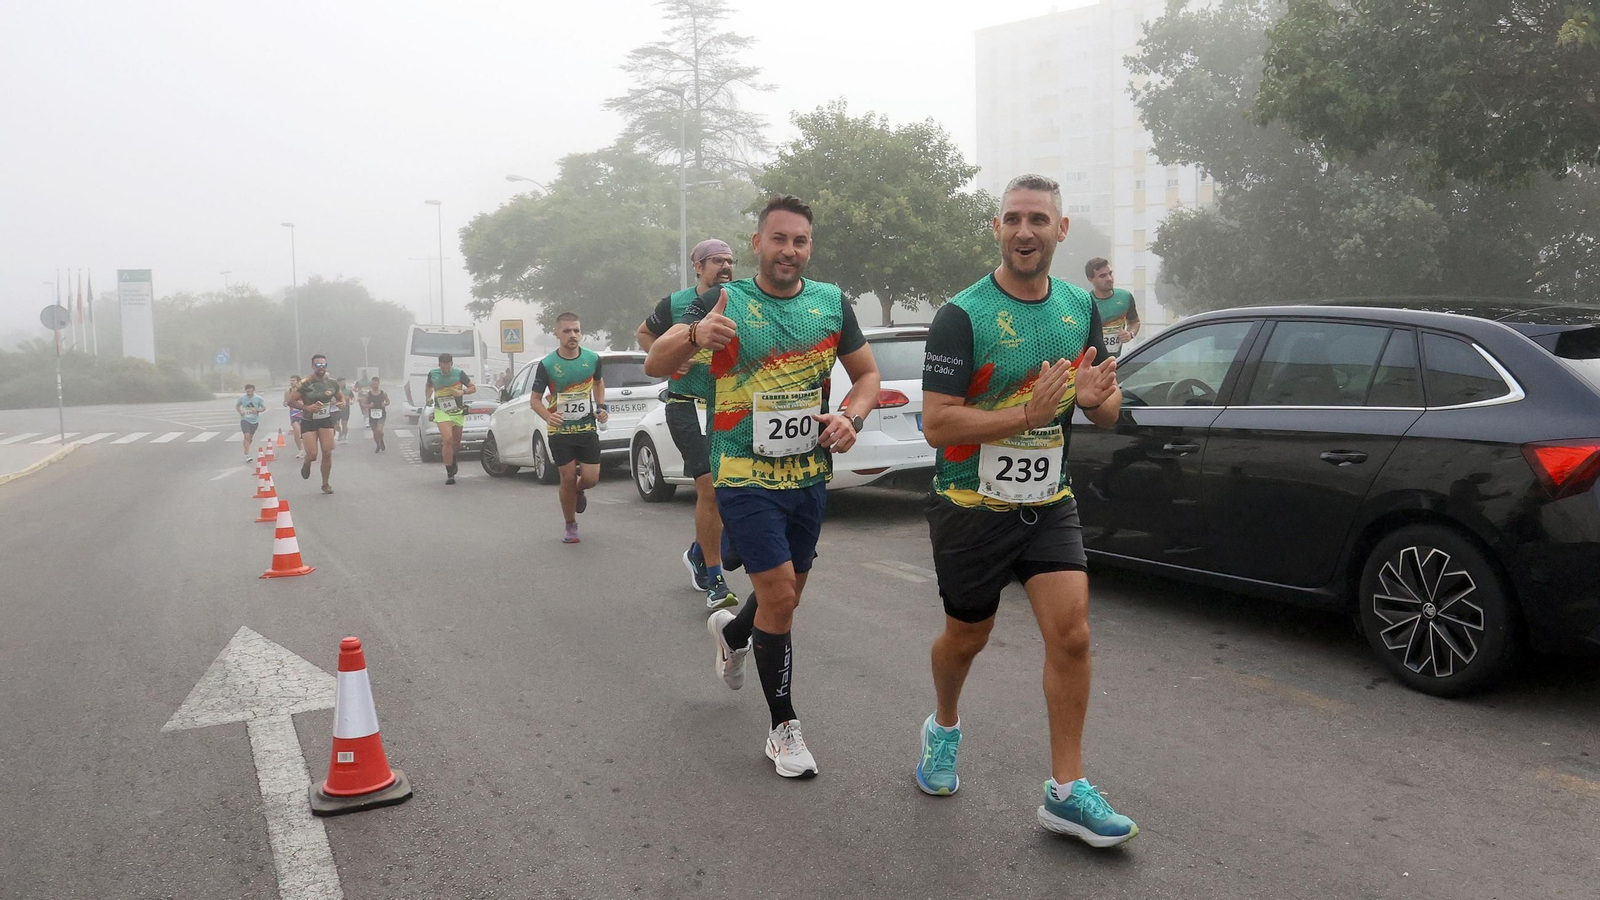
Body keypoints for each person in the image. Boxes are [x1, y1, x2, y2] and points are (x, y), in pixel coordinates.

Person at [915, 174, 1135, 847]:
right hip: (969, 505)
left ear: (1060, 230)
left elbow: (1107, 408)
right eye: (1012, 218)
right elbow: (936, 424)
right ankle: (943, 726)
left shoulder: (1078, 306)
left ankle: (1066, 792)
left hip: (1048, 500)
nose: (1024, 231)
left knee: (1072, 635)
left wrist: (1094, 398)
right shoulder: (962, 315)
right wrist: (1026, 415)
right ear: (997, 228)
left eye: (1038, 219)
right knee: (966, 638)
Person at [644, 195, 881, 780]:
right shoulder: (721, 300)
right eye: (779, 239)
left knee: (787, 595)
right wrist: (695, 333)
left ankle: (734, 632)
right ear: (757, 243)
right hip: (743, 475)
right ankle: (783, 728)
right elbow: (655, 361)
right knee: (778, 597)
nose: (789, 250)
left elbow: (867, 375)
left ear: (809, 247)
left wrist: (851, 416)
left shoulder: (831, 303)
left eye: (799, 241)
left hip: (807, 473)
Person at [636, 238, 740, 611]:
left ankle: (699, 551)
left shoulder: (740, 300)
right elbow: (644, 334)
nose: (725, 267)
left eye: (730, 261)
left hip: (727, 406)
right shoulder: (676, 303)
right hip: (686, 405)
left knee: (730, 488)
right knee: (708, 486)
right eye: (716, 261)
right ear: (698, 266)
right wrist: (670, 357)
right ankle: (714, 579)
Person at [529, 313, 607, 543]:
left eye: (576, 330)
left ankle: (579, 491)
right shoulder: (547, 364)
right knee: (568, 477)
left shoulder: (592, 359)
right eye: (567, 331)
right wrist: (548, 416)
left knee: (591, 479)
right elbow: (535, 400)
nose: (572, 335)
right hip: (560, 431)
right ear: (557, 334)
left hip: (586, 428)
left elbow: (598, 383)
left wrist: (601, 406)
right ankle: (570, 524)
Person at [291, 355, 345, 494]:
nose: (321, 368)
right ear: (312, 366)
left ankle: (325, 484)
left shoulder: (332, 382)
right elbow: (290, 401)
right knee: (313, 454)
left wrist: (342, 403)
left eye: (323, 365)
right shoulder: (305, 383)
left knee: (327, 452)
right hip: (309, 421)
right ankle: (307, 462)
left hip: (325, 420)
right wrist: (307, 407)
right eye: (318, 365)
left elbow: (340, 397)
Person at [424, 353, 476, 484]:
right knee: (447, 439)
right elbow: (429, 386)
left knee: (455, 444)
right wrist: (428, 397)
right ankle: (449, 473)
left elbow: (473, 388)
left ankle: (452, 458)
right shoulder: (433, 374)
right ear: (439, 365)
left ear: (452, 364)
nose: (446, 371)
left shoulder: (459, 374)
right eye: (443, 368)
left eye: (448, 368)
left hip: (457, 411)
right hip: (441, 410)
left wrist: (462, 392)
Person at [1085, 257, 1140, 357]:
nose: (1109, 279)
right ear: (1090, 279)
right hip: (1092, 362)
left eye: (1110, 273)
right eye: (1102, 276)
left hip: (1116, 361)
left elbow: (1134, 322)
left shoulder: (1125, 297)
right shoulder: (1086, 302)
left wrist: (1130, 334)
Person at [236, 384, 265, 463]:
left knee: (250, 438)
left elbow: (263, 407)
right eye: (248, 391)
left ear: (253, 390)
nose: (249, 393)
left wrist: (258, 410)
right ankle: (247, 454)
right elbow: (238, 406)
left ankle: (247, 448)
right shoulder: (242, 398)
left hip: (254, 420)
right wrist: (240, 411)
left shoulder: (258, 398)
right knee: (246, 436)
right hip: (245, 419)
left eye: (251, 391)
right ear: (245, 391)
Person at [364, 377, 390, 453]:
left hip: (381, 414)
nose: (375, 385)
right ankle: (378, 445)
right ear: (371, 384)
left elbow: (388, 401)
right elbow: (363, 404)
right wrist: (369, 405)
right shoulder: (368, 394)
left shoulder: (383, 393)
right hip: (372, 415)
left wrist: (384, 404)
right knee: (375, 432)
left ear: (379, 383)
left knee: (379, 430)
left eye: (376, 383)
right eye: (373, 383)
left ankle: (381, 439)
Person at [285, 376, 305, 458]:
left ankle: (307, 448)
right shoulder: (288, 391)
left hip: (304, 414)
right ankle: (300, 450)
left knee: (305, 434)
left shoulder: (304, 391)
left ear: (298, 382)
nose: (291, 382)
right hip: (294, 414)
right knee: (297, 432)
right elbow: (285, 402)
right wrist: (286, 403)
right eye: (291, 380)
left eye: (293, 380)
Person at [334, 377, 352, 442]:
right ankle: (340, 432)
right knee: (336, 425)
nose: (344, 383)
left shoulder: (348, 390)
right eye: (342, 382)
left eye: (344, 382)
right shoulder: (334, 391)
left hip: (345, 408)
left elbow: (352, 397)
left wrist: (351, 401)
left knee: (344, 423)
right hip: (336, 409)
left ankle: (344, 436)